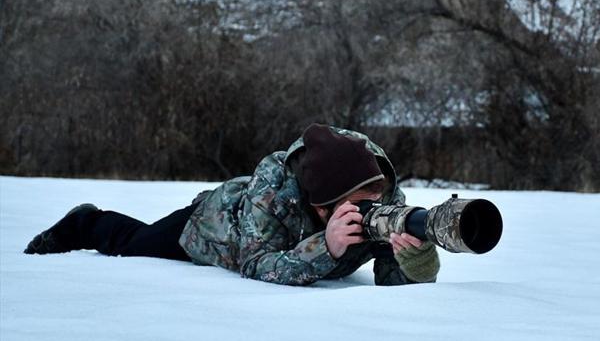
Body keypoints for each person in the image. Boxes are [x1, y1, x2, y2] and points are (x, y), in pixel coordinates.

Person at [24, 124, 440, 286]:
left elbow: (391, 281)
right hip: (216, 227)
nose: (372, 210)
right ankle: (85, 223)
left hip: (275, 232)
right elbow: (254, 262)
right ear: (321, 208)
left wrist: (415, 260)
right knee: (133, 242)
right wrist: (326, 248)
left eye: (374, 200)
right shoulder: (273, 192)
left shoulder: (379, 191)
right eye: (357, 205)